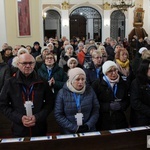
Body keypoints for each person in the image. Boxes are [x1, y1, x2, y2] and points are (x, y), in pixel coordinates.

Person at [0, 53, 54, 137]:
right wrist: (19, 118)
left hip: (39, 127)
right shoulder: (10, 83)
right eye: (24, 63)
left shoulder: (42, 82)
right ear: (18, 64)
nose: (28, 66)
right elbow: (3, 105)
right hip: (19, 128)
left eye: (31, 63)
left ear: (34, 64)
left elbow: (50, 103)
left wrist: (37, 117)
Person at [54, 67, 100, 134]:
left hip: (89, 130)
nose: (81, 82)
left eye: (83, 79)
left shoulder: (90, 90)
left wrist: (88, 125)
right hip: (69, 131)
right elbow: (58, 114)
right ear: (71, 80)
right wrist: (74, 128)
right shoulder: (62, 93)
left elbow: (95, 109)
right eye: (77, 79)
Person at [92, 61, 129, 131]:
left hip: (120, 119)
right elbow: (94, 102)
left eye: (115, 70)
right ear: (105, 73)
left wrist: (121, 105)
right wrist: (108, 106)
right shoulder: (97, 84)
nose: (114, 73)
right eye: (110, 71)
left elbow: (127, 99)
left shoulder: (122, 83)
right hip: (103, 119)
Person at [130, 59, 150, 127]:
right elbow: (135, 103)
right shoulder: (136, 83)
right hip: (141, 119)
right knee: (146, 137)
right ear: (144, 69)